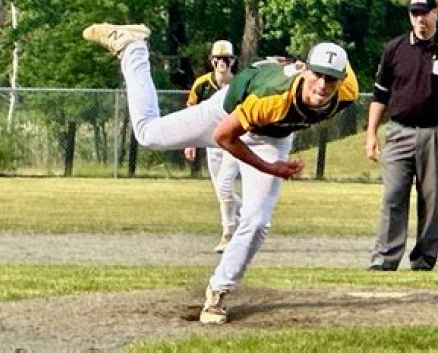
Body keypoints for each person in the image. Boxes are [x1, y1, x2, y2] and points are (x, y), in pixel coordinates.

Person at [82, 23, 359, 324]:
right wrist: (270, 168)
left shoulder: (348, 90)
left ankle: (218, 293)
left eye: (331, 78)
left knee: (257, 222)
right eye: (317, 74)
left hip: (273, 136)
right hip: (226, 114)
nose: (322, 85)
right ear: (305, 71)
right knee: (148, 134)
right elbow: (224, 137)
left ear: (341, 79)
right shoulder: (272, 98)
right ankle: (133, 47)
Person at [366, 0, 438, 271]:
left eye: (425, 13)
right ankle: (384, 260)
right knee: (393, 195)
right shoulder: (395, 49)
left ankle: (424, 260)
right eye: (415, 14)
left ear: (435, 13)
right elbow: (380, 95)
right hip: (399, 131)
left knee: (432, 200)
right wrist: (371, 134)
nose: (420, 19)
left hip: (437, 133)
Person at [183, 40, 242, 253]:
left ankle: (228, 234)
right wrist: (190, 141)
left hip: (234, 142)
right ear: (212, 61)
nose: (222, 62)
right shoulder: (202, 85)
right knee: (221, 191)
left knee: (225, 186)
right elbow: (192, 113)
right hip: (212, 142)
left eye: (226, 58)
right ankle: (249, 217)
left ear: (233, 61)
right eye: (218, 58)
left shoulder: (240, 84)